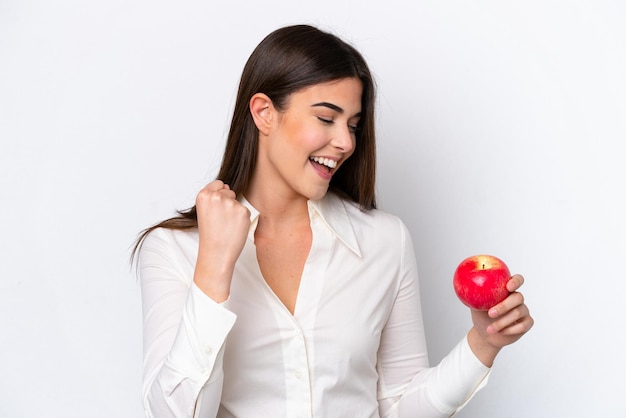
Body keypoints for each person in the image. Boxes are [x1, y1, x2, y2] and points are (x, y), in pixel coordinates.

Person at [132, 24, 534, 418]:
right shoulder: (172, 250)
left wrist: (484, 342)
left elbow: (399, 405)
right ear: (264, 113)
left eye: (353, 125)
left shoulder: (384, 240)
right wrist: (215, 265)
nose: (346, 142)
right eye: (327, 118)